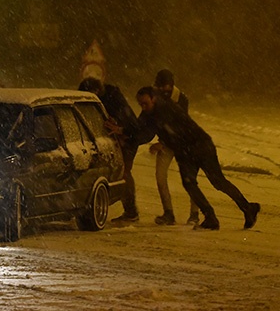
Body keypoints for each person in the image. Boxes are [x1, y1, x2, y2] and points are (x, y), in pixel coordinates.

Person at [127, 86, 260, 230]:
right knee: (192, 183)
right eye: (141, 104)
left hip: (198, 146)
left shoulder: (165, 109)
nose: (143, 107)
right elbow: (143, 130)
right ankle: (217, 215)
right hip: (188, 149)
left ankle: (235, 211)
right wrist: (125, 132)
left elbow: (164, 131)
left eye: (145, 103)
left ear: (153, 98)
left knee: (215, 181)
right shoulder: (151, 112)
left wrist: (161, 142)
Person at [78, 77, 141, 223]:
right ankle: (130, 210)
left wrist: (118, 126)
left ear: (96, 91)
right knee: (120, 172)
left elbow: (129, 123)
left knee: (124, 172)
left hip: (127, 139)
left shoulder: (113, 99)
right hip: (118, 139)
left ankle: (131, 211)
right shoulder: (105, 97)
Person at [149, 69, 200, 226]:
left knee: (189, 178)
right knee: (160, 176)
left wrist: (162, 143)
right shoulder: (156, 97)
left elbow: (179, 126)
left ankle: (194, 214)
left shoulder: (181, 99)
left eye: (168, 86)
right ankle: (168, 212)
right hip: (167, 142)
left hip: (183, 143)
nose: (166, 89)